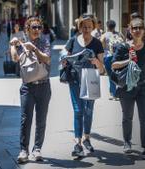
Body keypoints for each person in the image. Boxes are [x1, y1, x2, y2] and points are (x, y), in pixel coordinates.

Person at [111, 17, 145, 159]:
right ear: (130, 30)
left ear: (143, 31)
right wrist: (128, 60)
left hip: (143, 87)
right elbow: (113, 65)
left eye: (139, 28)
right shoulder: (122, 47)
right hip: (127, 87)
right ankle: (127, 142)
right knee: (127, 117)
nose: (137, 30)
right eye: (134, 28)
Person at [10, 16, 51, 163]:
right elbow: (15, 58)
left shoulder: (45, 41)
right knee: (25, 119)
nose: (37, 30)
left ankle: (37, 149)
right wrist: (13, 45)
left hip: (44, 85)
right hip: (27, 87)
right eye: (34, 27)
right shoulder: (21, 42)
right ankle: (23, 150)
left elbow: (46, 58)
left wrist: (34, 48)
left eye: (39, 27)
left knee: (41, 119)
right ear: (27, 29)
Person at [63, 14, 104, 157]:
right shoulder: (73, 41)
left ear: (93, 27)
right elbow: (65, 55)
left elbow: (102, 69)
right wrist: (64, 60)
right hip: (74, 80)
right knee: (78, 110)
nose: (86, 29)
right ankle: (77, 143)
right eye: (83, 26)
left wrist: (95, 61)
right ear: (79, 27)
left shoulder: (97, 43)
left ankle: (87, 138)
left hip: (91, 79)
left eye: (89, 26)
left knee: (88, 111)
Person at [100, 20, 124, 100]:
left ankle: (113, 93)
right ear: (115, 26)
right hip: (118, 57)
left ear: (107, 26)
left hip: (108, 57)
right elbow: (124, 44)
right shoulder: (119, 34)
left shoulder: (104, 35)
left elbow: (102, 47)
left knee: (111, 75)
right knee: (119, 74)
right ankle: (117, 92)